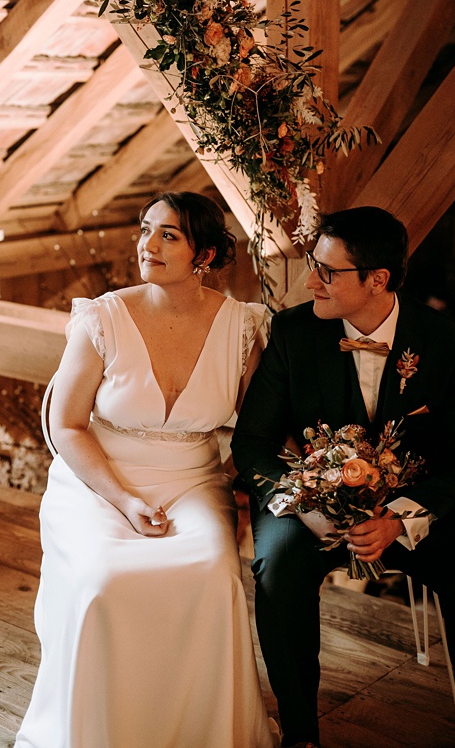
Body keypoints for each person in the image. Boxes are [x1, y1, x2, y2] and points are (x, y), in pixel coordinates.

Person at [231, 207, 455, 748]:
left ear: (378, 279)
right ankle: (301, 734)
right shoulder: (291, 331)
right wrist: (300, 499)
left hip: (408, 507)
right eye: (314, 265)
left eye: (327, 271)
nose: (311, 280)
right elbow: (252, 444)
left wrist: (400, 522)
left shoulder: (447, 340)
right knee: (278, 565)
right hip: (309, 506)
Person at [15, 192, 278, 748]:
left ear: (203, 255)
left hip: (194, 479)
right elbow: (66, 426)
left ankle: (199, 731)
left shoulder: (242, 328)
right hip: (98, 477)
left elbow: (258, 430)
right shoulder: (103, 317)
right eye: (145, 229)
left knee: (214, 575)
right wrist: (125, 500)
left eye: (168, 236)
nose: (147, 245)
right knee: (105, 580)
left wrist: (230, 487)